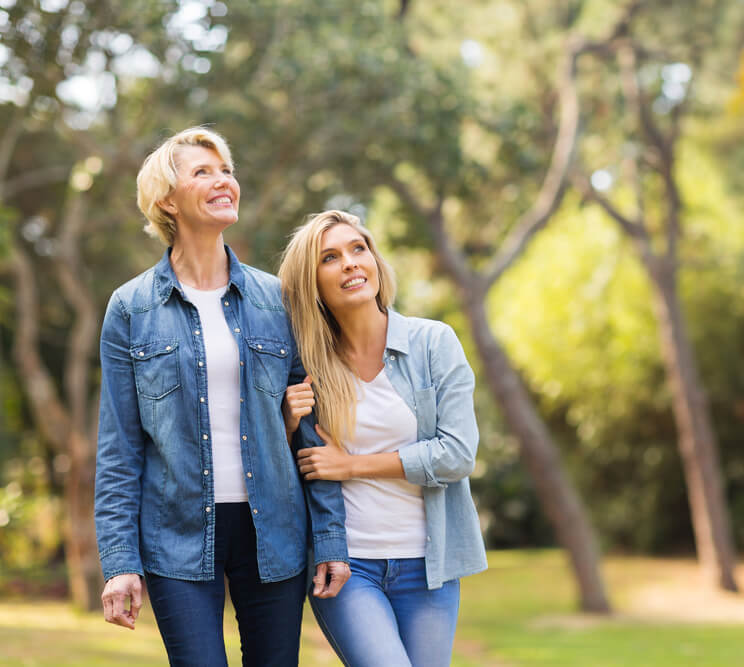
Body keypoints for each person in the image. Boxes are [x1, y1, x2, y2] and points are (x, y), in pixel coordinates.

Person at [94, 127, 350, 666]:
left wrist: (329, 538)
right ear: (167, 199)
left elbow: (313, 431)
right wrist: (120, 561)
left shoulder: (277, 299)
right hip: (176, 535)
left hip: (274, 529)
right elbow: (119, 448)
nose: (223, 181)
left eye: (226, 171)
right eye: (202, 172)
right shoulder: (131, 308)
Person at [278, 209, 488, 667]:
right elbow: (286, 476)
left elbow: (456, 455)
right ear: (311, 283)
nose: (351, 263)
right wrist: (289, 430)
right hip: (348, 566)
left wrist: (352, 465)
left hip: (428, 567)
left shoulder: (434, 343)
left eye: (359, 249)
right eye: (329, 257)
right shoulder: (305, 365)